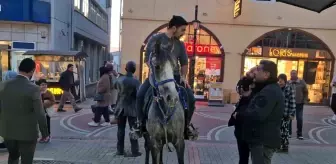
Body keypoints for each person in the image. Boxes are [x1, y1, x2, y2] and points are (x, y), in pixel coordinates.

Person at [135, 15, 197, 139]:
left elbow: (184, 63)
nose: (183, 33)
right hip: (157, 75)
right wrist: (153, 69)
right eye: (182, 30)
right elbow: (147, 58)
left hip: (174, 76)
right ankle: (140, 125)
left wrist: (184, 77)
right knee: (140, 94)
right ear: (174, 28)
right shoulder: (156, 39)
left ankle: (186, 126)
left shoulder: (180, 44)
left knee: (191, 97)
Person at [0, 58, 49, 163]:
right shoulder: (33, 88)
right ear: (32, 71)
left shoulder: (3, 85)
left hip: (7, 131)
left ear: (18, 68)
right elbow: (40, 114)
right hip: (28, 133)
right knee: (27, 160)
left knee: (13, 157)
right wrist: (45, 133)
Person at [242, 60, 284, 164]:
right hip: (262, 138)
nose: (255, 72)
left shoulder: (269, 91)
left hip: (262, 140)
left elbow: (257, 114)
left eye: (258, 69)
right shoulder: (267, 88)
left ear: (266, 74)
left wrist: (241, 114)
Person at [229, 67, 257, 164]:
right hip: (241, 132)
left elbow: (253, 114)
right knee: (243, 157)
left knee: (250, 157)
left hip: (250, 132)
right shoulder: (244, 96)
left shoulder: (255, 96)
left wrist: (239, 115)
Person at [114, 61, 142, 157]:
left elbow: (115, 86)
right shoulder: (136, 81)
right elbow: (139, 95)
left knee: (120, 130)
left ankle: (120, 150)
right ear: (134, 70)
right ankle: (134, 151)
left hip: (120, 108)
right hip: (132, 108)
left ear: (126, 69)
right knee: (133, 129)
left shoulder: (119, 80)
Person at [277, 74, 296, 153]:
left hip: (286, 114)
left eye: (281, 81)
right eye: (279, 81)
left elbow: (292, 102)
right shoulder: (278, 89)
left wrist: (292, 114)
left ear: (285, 81)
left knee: (285, 131)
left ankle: (284, 147)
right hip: (278, 114)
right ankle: (279, 146)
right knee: (279, 131)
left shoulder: (289, 89)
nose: (280, 83)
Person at [288, 70, 308, 140]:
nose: (293, 75)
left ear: (297, 74)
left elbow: (306, 91)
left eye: (294, 74)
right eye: (292, 74)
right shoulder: (288, 82)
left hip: (299, 103)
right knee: (289, 118)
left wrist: (305, 99)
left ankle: (299, 134)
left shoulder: (301, 82)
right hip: (290, 104)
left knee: (299, 118)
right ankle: (289, 133)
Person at [36, 79, 56, 143]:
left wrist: (45, 104)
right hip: (39, 111)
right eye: (42, 85)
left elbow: (53, 101)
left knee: (47, 124)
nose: (44, 86)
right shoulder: (37, 92)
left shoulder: (49, 92)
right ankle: (42, 136)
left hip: (46, 111)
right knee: (40, 125)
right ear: (39, 86)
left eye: (45, 84)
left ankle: (47, 136)